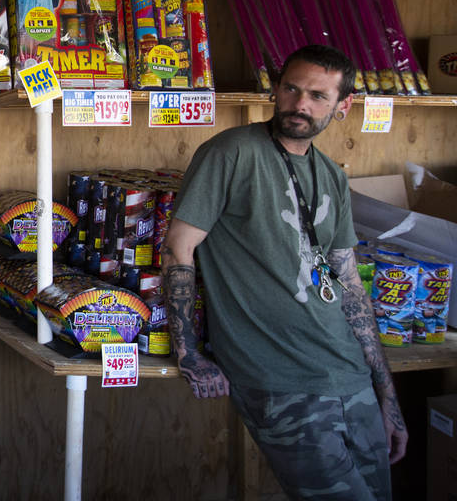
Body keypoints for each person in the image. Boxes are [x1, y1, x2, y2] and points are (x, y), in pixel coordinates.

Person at [162, 44, 407, 501]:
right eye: (291, 89)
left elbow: (349, 286)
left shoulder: (332, 174)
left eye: (317, 95)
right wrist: (187, 352)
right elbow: (179, 249)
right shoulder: (230, 153)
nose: (299, 104)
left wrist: (387, 396)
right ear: (275, 89)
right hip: (280, 379)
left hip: (349, 374)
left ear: (343, 105)